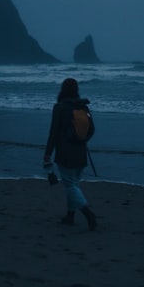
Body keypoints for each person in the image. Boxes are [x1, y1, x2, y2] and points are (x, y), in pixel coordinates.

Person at [43, 77, 97, 230]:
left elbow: (53, 133)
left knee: (70, 186)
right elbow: (92, 129)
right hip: (81, 152)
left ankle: (88, 213)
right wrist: (81, 139)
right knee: (74, 184)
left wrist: (47, 153)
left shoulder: (59, 107)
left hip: (65, 153)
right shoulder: (83, 107)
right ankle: (70, 216)